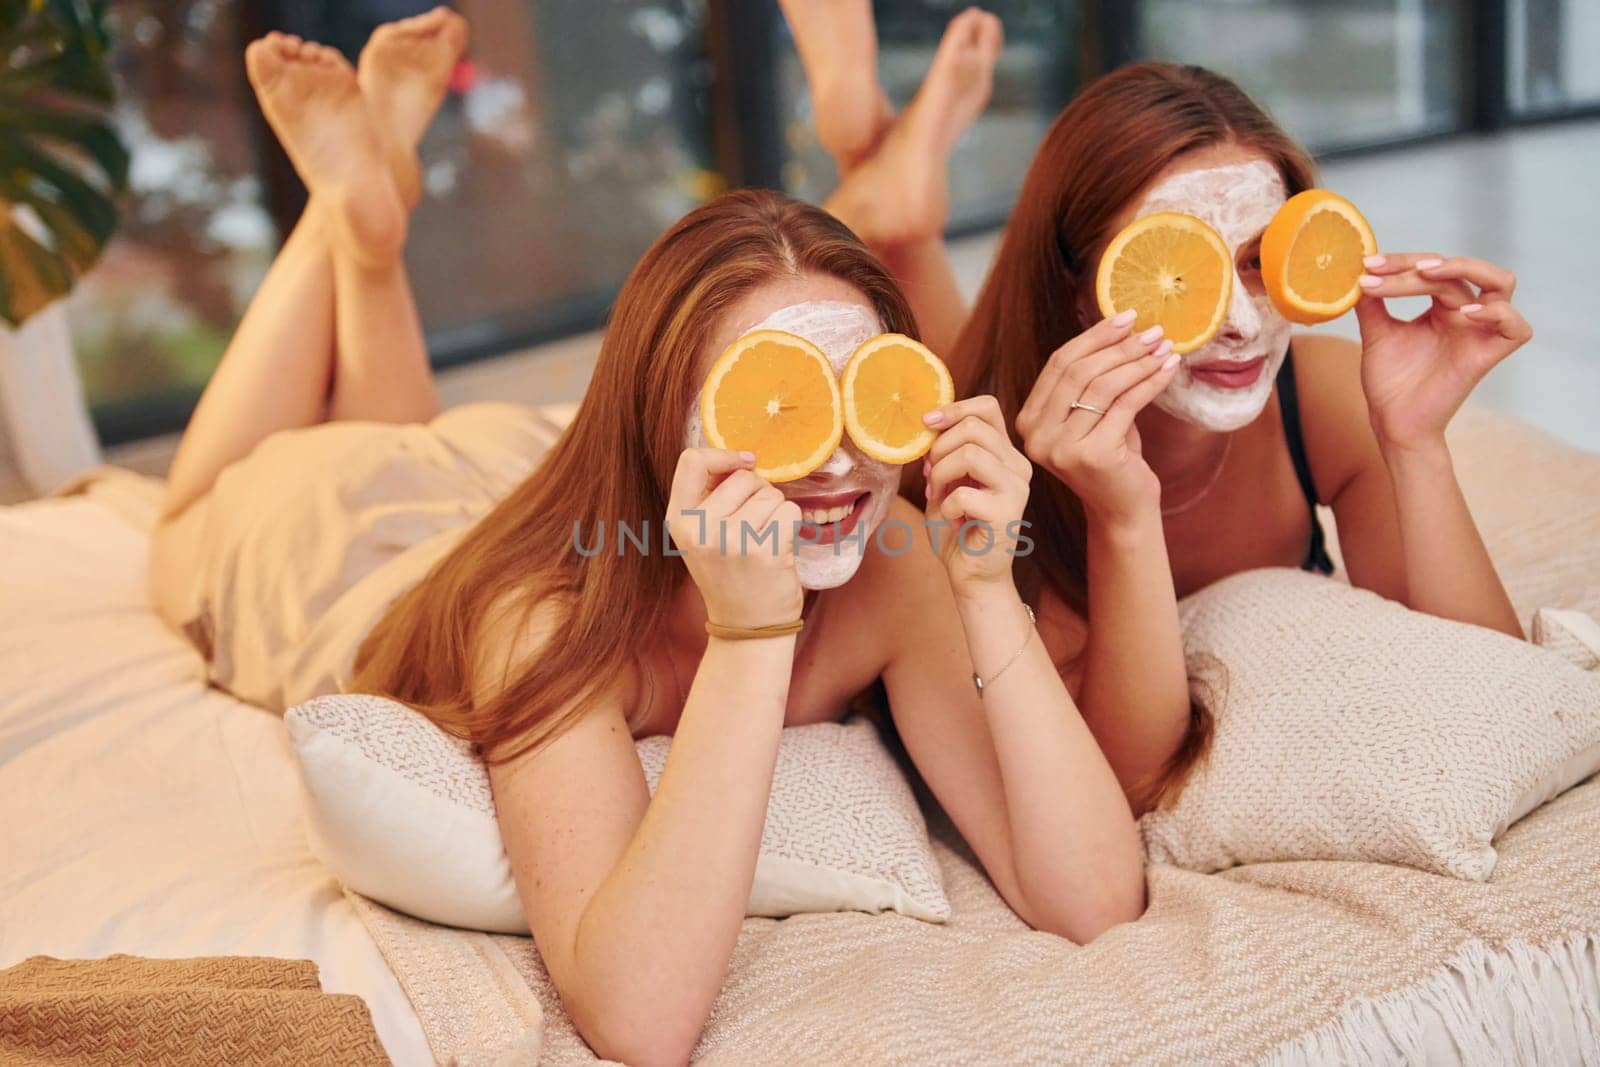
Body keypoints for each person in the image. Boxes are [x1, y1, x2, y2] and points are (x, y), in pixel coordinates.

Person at [147, 15, 1144, 1063]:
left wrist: (985, 590)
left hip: (486, 468)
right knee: (203, 507)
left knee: (423, 434)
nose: (837, 462)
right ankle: (343, 221)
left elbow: (1092, 898)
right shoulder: (542, 621)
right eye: (776, 410)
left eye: (863, 400)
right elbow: (639, 1015)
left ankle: (367, 227)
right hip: (330, 539)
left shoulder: (890, 556)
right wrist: (750, 640)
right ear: (661, 420)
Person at [788, 8, 1534, 810]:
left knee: (956, 334)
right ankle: (875, 177)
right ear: (1078, 287)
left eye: (1257, 262)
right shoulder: (1012, 465)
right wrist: (1122, 515)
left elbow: (1498, 691)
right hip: (999, 410)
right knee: (943, 376)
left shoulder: (1317, 393)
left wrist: (1416, 441)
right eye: (1177, 272)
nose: (1241, 324)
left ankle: (883, 169)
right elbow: (1133, 784)